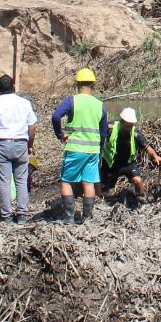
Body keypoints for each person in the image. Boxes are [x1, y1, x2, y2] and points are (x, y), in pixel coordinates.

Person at [51, 67, 108, 224]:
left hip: (75, 148)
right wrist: (100, 150)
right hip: (92, 150)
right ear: (93, 85)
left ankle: (69, 217)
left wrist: (60, 135)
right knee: (88, 182)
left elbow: (56, 116)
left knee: (67, 181)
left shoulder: (72, 101)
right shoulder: (100, 104)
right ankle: (86, 218)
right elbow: (103, 133)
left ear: (77, 84)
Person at [0, 74, 37, 223]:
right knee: (21, 181)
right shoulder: (25, 103)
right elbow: (32, 127)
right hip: (21, 144)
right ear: (13, 87)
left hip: (3, 145)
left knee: (4, 182)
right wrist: (30, 146)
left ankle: (6, 216)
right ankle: (22, 215)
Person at [100, 107, 161, 206]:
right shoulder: (110, 127)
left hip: (128, 163)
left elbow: (147, 147)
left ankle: (143, 200)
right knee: (104, 190)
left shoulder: (135, 134)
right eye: (126, 126)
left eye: (130, 126)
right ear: (121, 121)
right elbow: (94, 132)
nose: (128, 129)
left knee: (138, 180)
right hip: (111, 164)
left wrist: (155, 156)